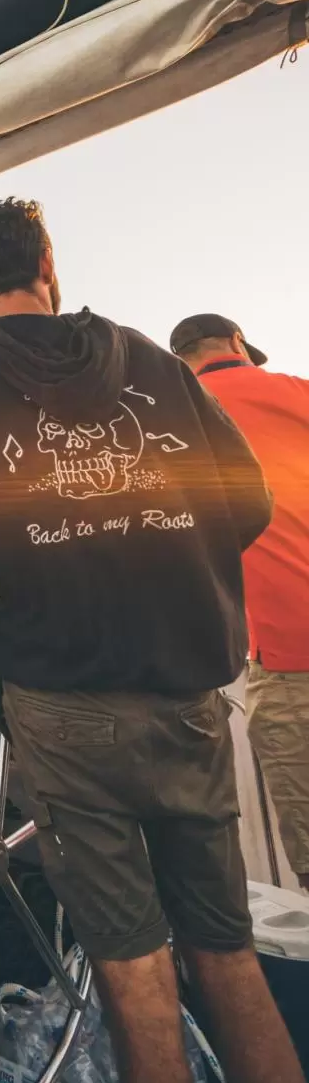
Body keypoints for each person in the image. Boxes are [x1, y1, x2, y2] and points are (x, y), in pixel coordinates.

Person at [0, 197, 304, 1083]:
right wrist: (167, 552)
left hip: (66, 708)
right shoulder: (154, 361)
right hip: (187, 702)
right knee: (225, 950)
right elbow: (247, 501)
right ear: (51, 263)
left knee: (133, 962)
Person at [171, 313, 309, 891]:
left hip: (287, 663)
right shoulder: (299, 394)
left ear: (179, 362)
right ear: (236, 343)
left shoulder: (177, 419)